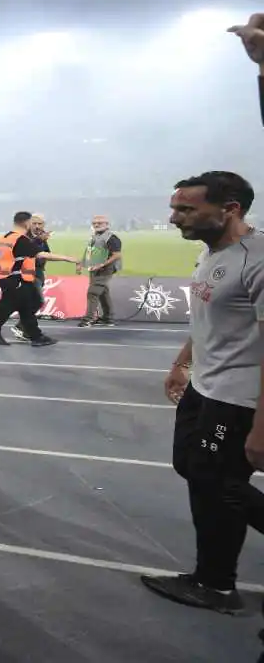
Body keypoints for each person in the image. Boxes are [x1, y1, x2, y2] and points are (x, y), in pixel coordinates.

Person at [141, 172, 264, 616]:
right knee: (193, 467)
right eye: (175, 208)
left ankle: (215, 584)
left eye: (187, 209)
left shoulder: (257, 260)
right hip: (204, 387)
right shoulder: (211, 252)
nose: (174, 218)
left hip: (237, 398)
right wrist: (183, 362)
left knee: (219, 483)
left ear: (230, 209)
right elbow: (208, 319)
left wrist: (261, 428)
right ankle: (213, 580)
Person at [0, 212, 57, 347]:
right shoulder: (21, 237)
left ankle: (33, 335)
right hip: (18, 277)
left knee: (22, 306)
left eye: (39, 223)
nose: (36, 226)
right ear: (27, 223)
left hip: (22, 275)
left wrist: (41, 241)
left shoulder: (13, 237)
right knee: (24, 304)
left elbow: (43, 253)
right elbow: (39, 253)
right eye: (34, 223)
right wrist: (70, 259)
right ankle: (31, 334)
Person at [78, 215, 122, 327]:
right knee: (103, 292)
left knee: (93, 292)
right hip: (94, 267)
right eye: (94, 223)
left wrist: (102, 264)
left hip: (105, 268)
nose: (96, 225)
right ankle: (108, 318)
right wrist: (82, 263)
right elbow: (89, 251)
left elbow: (117, 255)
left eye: (100, 223)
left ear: (107, 224)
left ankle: (88, 319)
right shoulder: (95, 236)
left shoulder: (112, 238)